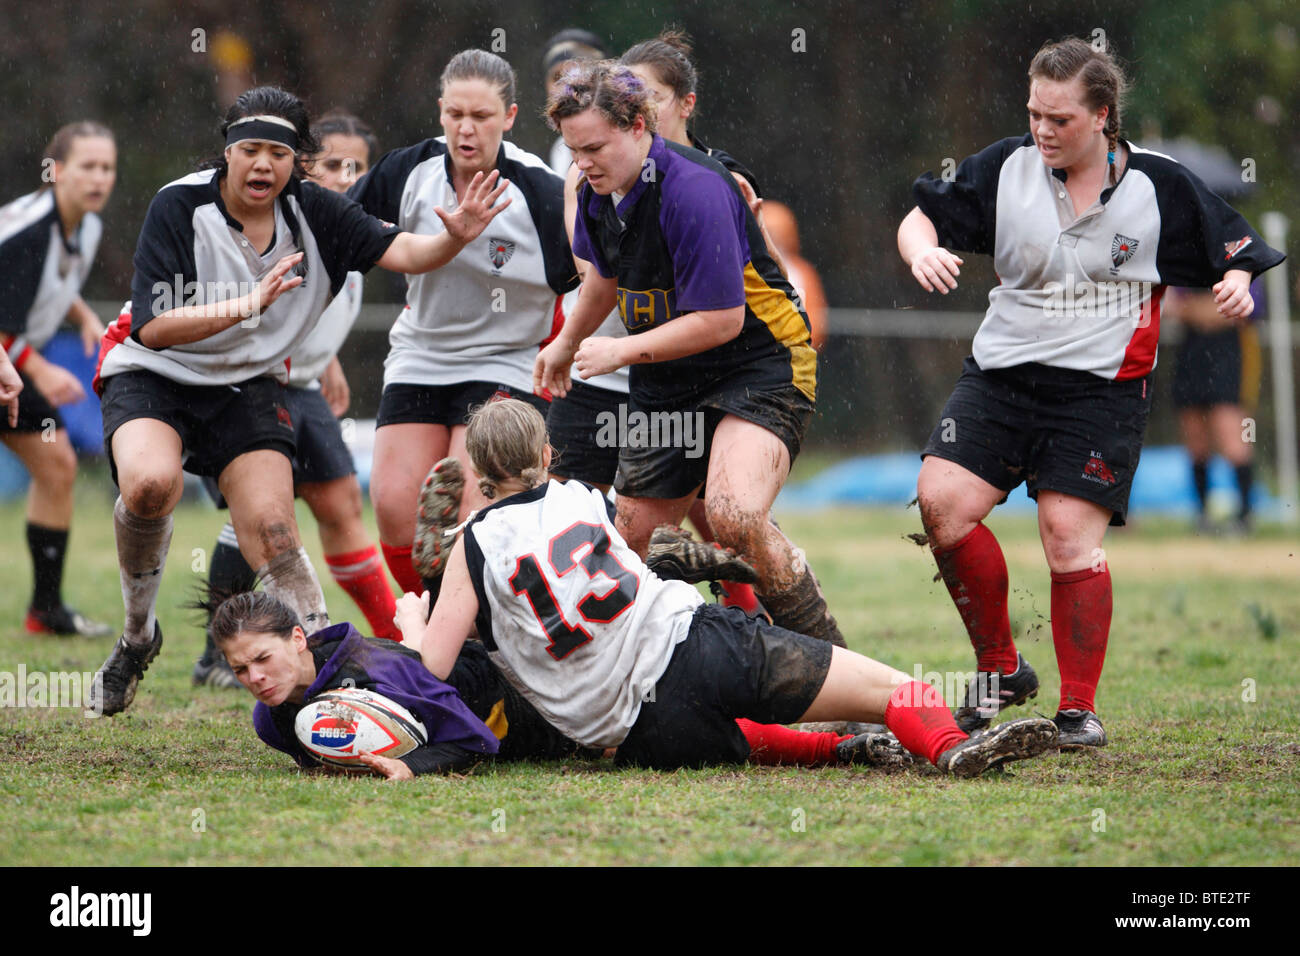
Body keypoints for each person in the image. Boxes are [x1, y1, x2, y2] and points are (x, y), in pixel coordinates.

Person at [897, 37, 1284, 748]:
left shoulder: (1160, 186)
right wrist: (921, 248)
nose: (1042, 130)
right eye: (1034, 114)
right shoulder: (1006, 168)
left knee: (1068, 539)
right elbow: (921, 213)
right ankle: (1002, 668)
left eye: (1060, 119)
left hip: (1102, 393)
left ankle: (1077, 711)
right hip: (1000, 380)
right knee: (943, 505)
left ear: (1102, 116)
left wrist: (1233, 280)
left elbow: (1236, 250)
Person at [90, 85, 513, 715]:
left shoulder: (316, 211)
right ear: (226, 153)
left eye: (279, 153)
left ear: (298, 160)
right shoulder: (179, 204)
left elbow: (404, 251)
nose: (263, 164)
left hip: (248, 384)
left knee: (275, 530)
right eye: (249, 149)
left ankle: (328, 675)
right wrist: (249, 304)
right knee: (150, 484)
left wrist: (455, 238)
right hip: (156, 370)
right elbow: (154, 326)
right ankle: (136, 637)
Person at [410, 398, 1058, 776]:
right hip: (693, 643)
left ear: (476, 470)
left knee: (737, 738)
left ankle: (845, 750)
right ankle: (948, 748)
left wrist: (417, 624)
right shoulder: (583, 497)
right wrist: (711, 563)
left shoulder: (473, 546)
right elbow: (641, 556)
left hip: (639, 733)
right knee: (891, 689)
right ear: (547, 456)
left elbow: (432, 671)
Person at [534, 61, 844, 651]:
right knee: (633, 548)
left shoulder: (695, 189)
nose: (583, 164)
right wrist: (565, 345)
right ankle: (676, 669)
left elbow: (723, 320)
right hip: (670, 380)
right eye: (574, 151)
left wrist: (619, 348)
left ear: (639, 124)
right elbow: (602, 278)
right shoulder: (598, 191)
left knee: (733, 514)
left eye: (595, 147)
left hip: (761, 364)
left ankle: (838, 667)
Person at [345, 49, 578, 600]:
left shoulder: (542, 191)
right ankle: (426, 628)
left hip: (511, 359)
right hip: (422, 353)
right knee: (397, 511)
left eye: (482, 117)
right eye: (454, 115)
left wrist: (570, 348)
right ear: (440, 111)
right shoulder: (408, 171)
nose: (465, 129)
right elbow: (339, 233)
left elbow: (593, 277)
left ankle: (474, 647)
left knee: (473, 513)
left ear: (512, 117)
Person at [194, 110, 402, 690]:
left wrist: (325, 357)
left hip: (303, 385)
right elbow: (257, 318)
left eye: (354, 166)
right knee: (257, 521)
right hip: (253, 390)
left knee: (340, 508)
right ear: (301, 169)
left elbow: (312, 312)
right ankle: (221, 653)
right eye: (329, 163)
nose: (343, 175)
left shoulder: (352, 228)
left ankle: (395, 637)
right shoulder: (283, 226)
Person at [0, 122, 117, 637]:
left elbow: (45, 283)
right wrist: (43, 368)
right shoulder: (28, 231)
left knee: (56, 464)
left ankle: (45, 611)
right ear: (57, 171)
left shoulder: (84, 225)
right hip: (13, 358)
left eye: (107, 168)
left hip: (10, 363)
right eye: (87, 166)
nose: (99, 178)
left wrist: (83, 314)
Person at [1168, 283, 1262, 533]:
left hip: (1229, 357)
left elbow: (1247, 309)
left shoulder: (1240, 257)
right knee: (1195, 441)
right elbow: (1168, 306)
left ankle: (1245, 516)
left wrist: (1195, 310)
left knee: (1235, 437)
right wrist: (1213, 311)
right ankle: (1203, 515)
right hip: (1191, 355)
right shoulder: (1183, 258)